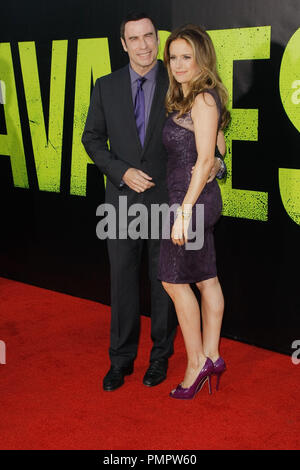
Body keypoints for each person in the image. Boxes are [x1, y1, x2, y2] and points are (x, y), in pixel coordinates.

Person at [82, 12, 226, 392]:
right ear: (123, 43)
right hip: (123, 200)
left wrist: (218, 165)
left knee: (167, 282)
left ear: (156, 39)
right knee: (123, 281)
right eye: (135, 38)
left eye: (149, 36)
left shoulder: (179, 79)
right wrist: (120, 171)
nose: (144, 45)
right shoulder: (105, 86)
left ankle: (160, 358)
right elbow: (91, 139)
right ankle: (121, 360)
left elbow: (213, 141)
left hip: (171, 200)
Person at [158, 24, 230, 399]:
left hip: (192, 202)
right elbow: (219, 152)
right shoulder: (198, 99)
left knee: (173, 280)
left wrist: (184, 213)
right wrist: (218, 165)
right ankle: (213, 355)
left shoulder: (202, 100)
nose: (178, 64)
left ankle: (196, 362)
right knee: (206, 279)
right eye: (173, 57)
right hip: (195, 198)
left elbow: (204, 161)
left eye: (187, 56)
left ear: (202, 59)